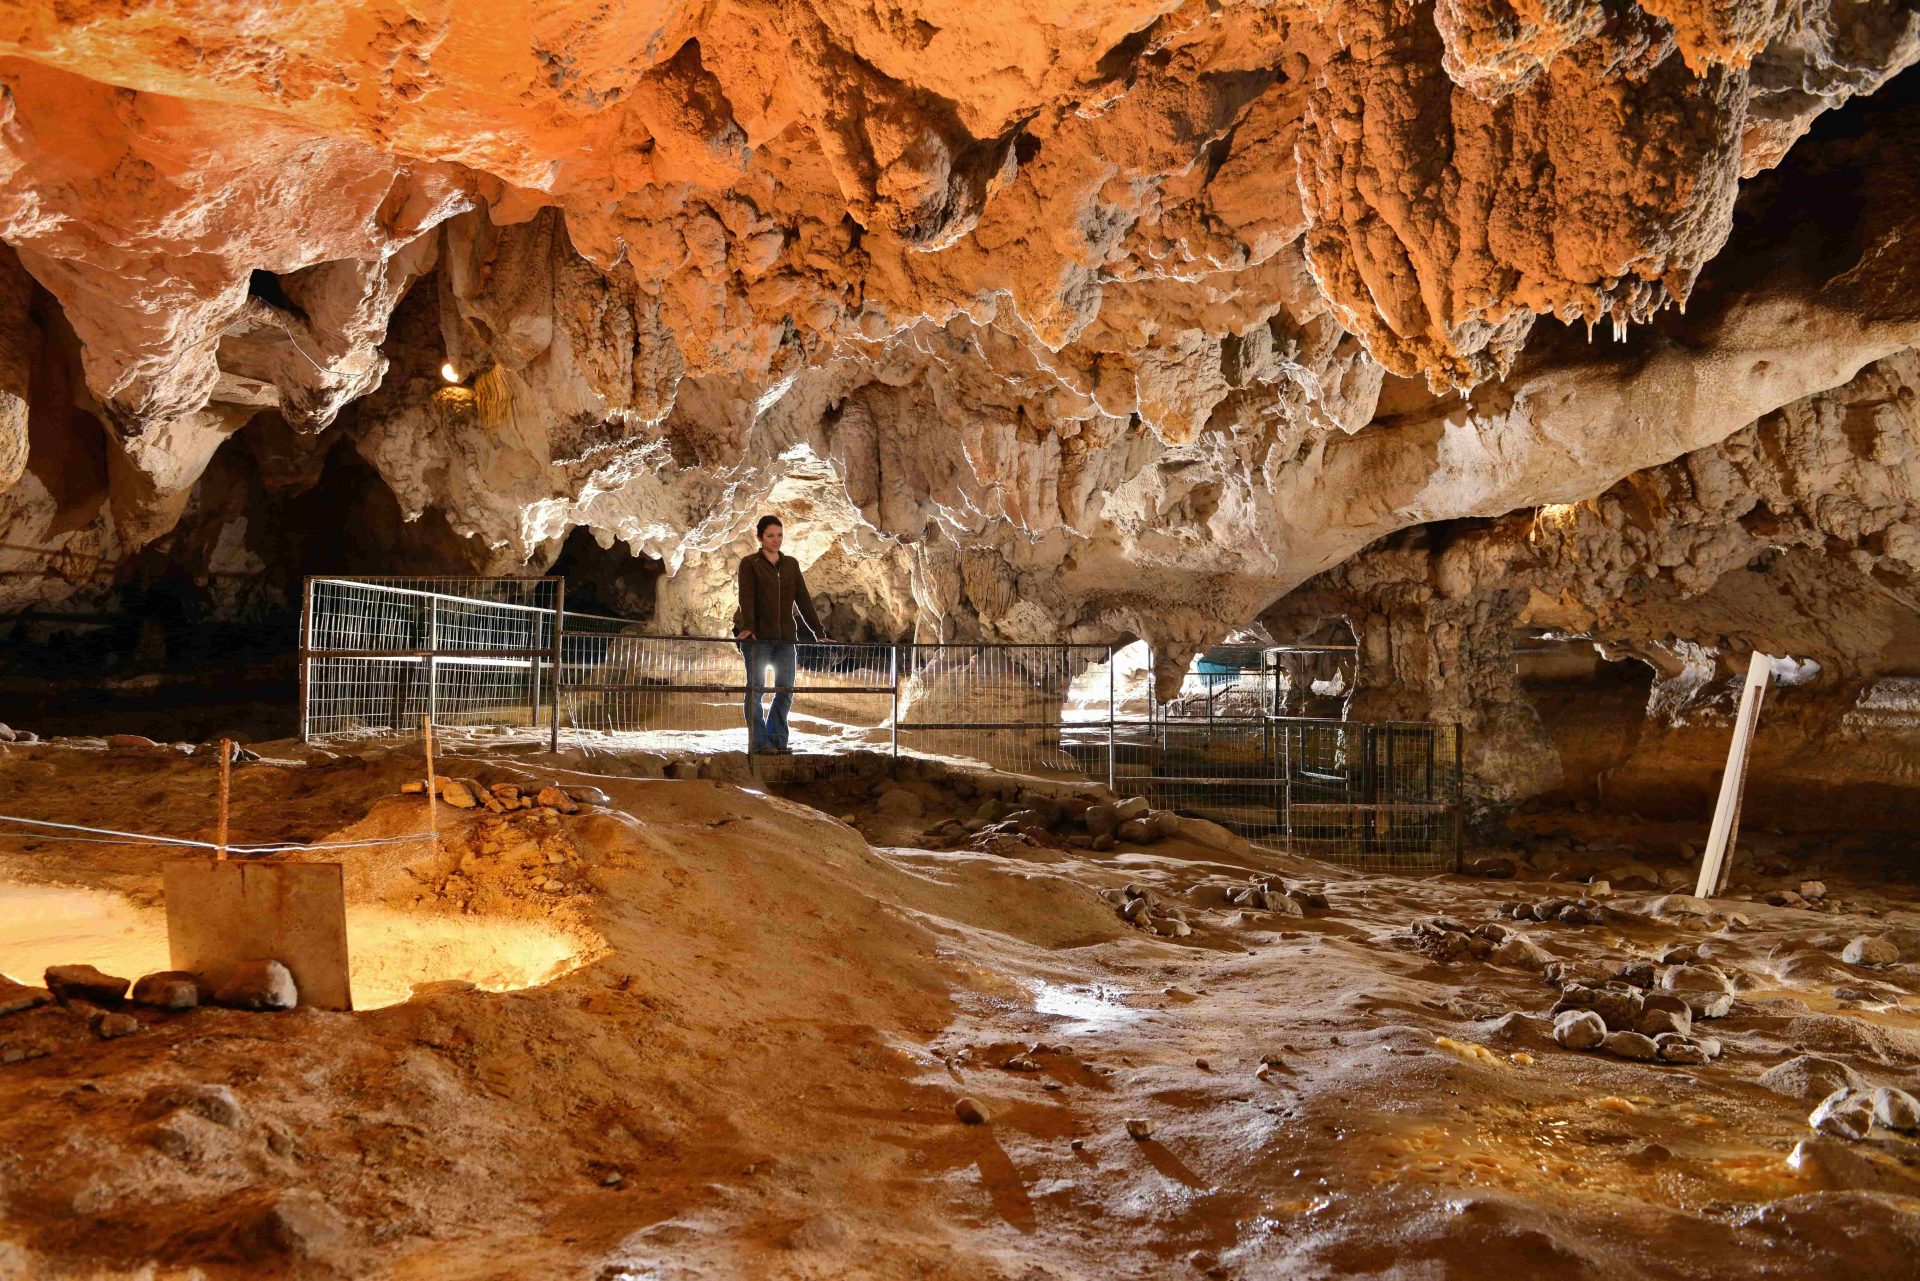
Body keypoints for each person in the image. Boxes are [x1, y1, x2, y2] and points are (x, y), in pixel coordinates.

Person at [733, 515, 827, 753]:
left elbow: (803, 599)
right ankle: (759, 743)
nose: (776, 540)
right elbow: (746, 596)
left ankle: (776, 740)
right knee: (756, 690)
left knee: (785, 690)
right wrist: (749, 626)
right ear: (760, 538)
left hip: (785, 639)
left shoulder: (790, 565)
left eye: (779, 535)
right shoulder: (750, 563)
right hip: (759, 639)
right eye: (770, 536)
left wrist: (818, 631)